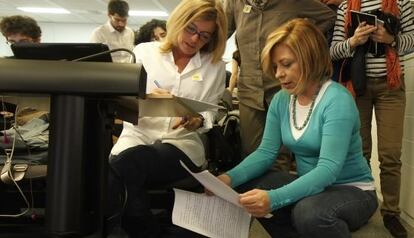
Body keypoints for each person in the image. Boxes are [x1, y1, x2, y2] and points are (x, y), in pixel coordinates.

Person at [209, 18, 378, 237]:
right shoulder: (282, 99)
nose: (278, 73)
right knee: (248, 187)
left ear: (310, 59)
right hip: (313, 187)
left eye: (286, 64)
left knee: (309, 214)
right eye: (276, 66)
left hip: (352, 189)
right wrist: (227, 179)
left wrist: (274, 199)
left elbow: (328, 170)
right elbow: (266, 152)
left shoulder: (337, 100)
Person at [107, 0, 227, 237]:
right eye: (191, 29)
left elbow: (212, 111)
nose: (194, 39)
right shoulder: (143, 52)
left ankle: (139, 229)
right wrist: (149, 97)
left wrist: (199, 120)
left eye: (203, 36)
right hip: (138, 134)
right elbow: (121, 100)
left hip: (181, 143)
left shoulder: (214, 67)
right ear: (178, 21)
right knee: (114, 171)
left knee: (122, 167)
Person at [330, 1, 414, 237]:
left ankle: (391, 214)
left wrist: (391, 39)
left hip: (392, 86)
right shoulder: (346, 6)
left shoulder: (402, 2)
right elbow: (333, 51)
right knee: (360, 153)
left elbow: (412, 40)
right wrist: (353, 41)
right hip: (358, 88)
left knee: (390, 154)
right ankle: (362, 208)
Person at [224, 0, 337, 169]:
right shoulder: (235, 3)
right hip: (249, 90)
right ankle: (251, 194)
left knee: (280, 156)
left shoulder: (292, 3)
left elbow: (329, 16)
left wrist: (298, 42)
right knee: (249, 152)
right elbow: (220, 32)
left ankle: (278, 194)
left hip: (282, 89)